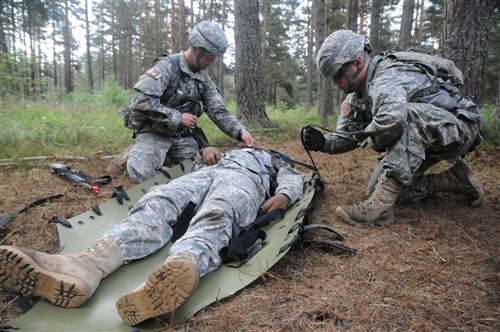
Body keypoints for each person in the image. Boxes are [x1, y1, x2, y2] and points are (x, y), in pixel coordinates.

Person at [0, 147, 303, 326]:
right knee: (159, 198)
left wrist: (285, 195)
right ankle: (88, 265)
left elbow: (293, 178)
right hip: (207, 173)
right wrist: (208, 152)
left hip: (243, 182)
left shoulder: (273, 163)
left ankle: (179, 269)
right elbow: (199, 160)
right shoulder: (230, 152)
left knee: (219, 211)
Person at [303, 29, 484, 226]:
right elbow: (348, 137)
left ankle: (378, 211)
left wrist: (369, 138)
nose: (335, 82)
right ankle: (455, 179)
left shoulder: (386, 77)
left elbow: (393, 120)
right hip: (422, 139)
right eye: (331, 77)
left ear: (358, 62)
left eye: (338, 74)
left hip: (459, 128)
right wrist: (323, 143)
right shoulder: (356, 97)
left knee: (406, 117)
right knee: (378, 190)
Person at [108, 20, 255, 183]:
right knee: (142, 172)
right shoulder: (167, 67)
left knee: (201, 172)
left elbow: (218, 111)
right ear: (197, 49)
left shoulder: (203, 80)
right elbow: (141, 101)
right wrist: (178, 117)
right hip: (154, 132)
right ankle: (138, 153)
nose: (212, 60)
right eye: (210, 55)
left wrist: (241, 132)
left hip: (181, 137)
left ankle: (163, 158)